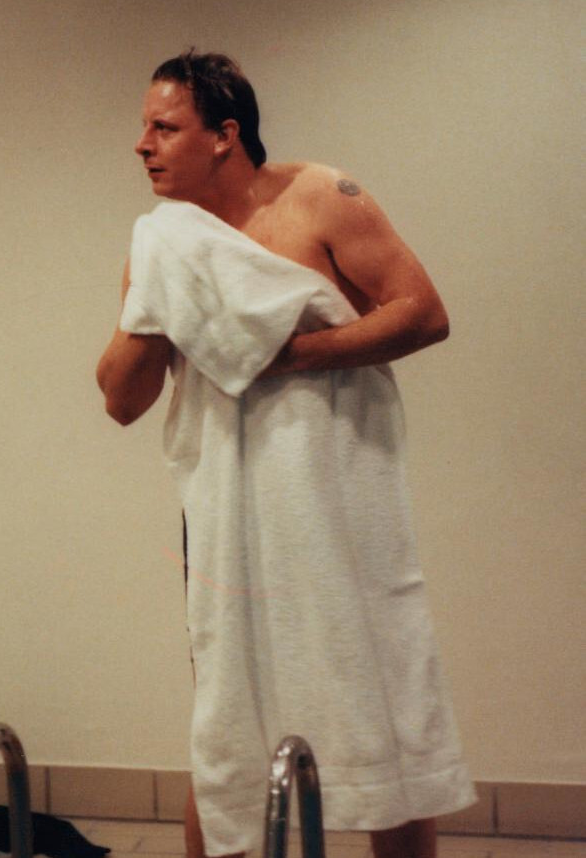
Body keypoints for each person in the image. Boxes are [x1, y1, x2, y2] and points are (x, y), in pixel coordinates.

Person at [96, 52, 474, 858]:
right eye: (143, 128)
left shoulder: (320, 197)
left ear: (224, 135)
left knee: (377, 691)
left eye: (163, 127)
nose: (141, 144)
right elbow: (121, 400)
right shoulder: (163, 243)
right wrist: (150, 308)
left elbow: (421, 311)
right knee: (225, 706)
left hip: (336, 500)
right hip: (226, 514)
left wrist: (290, 356)